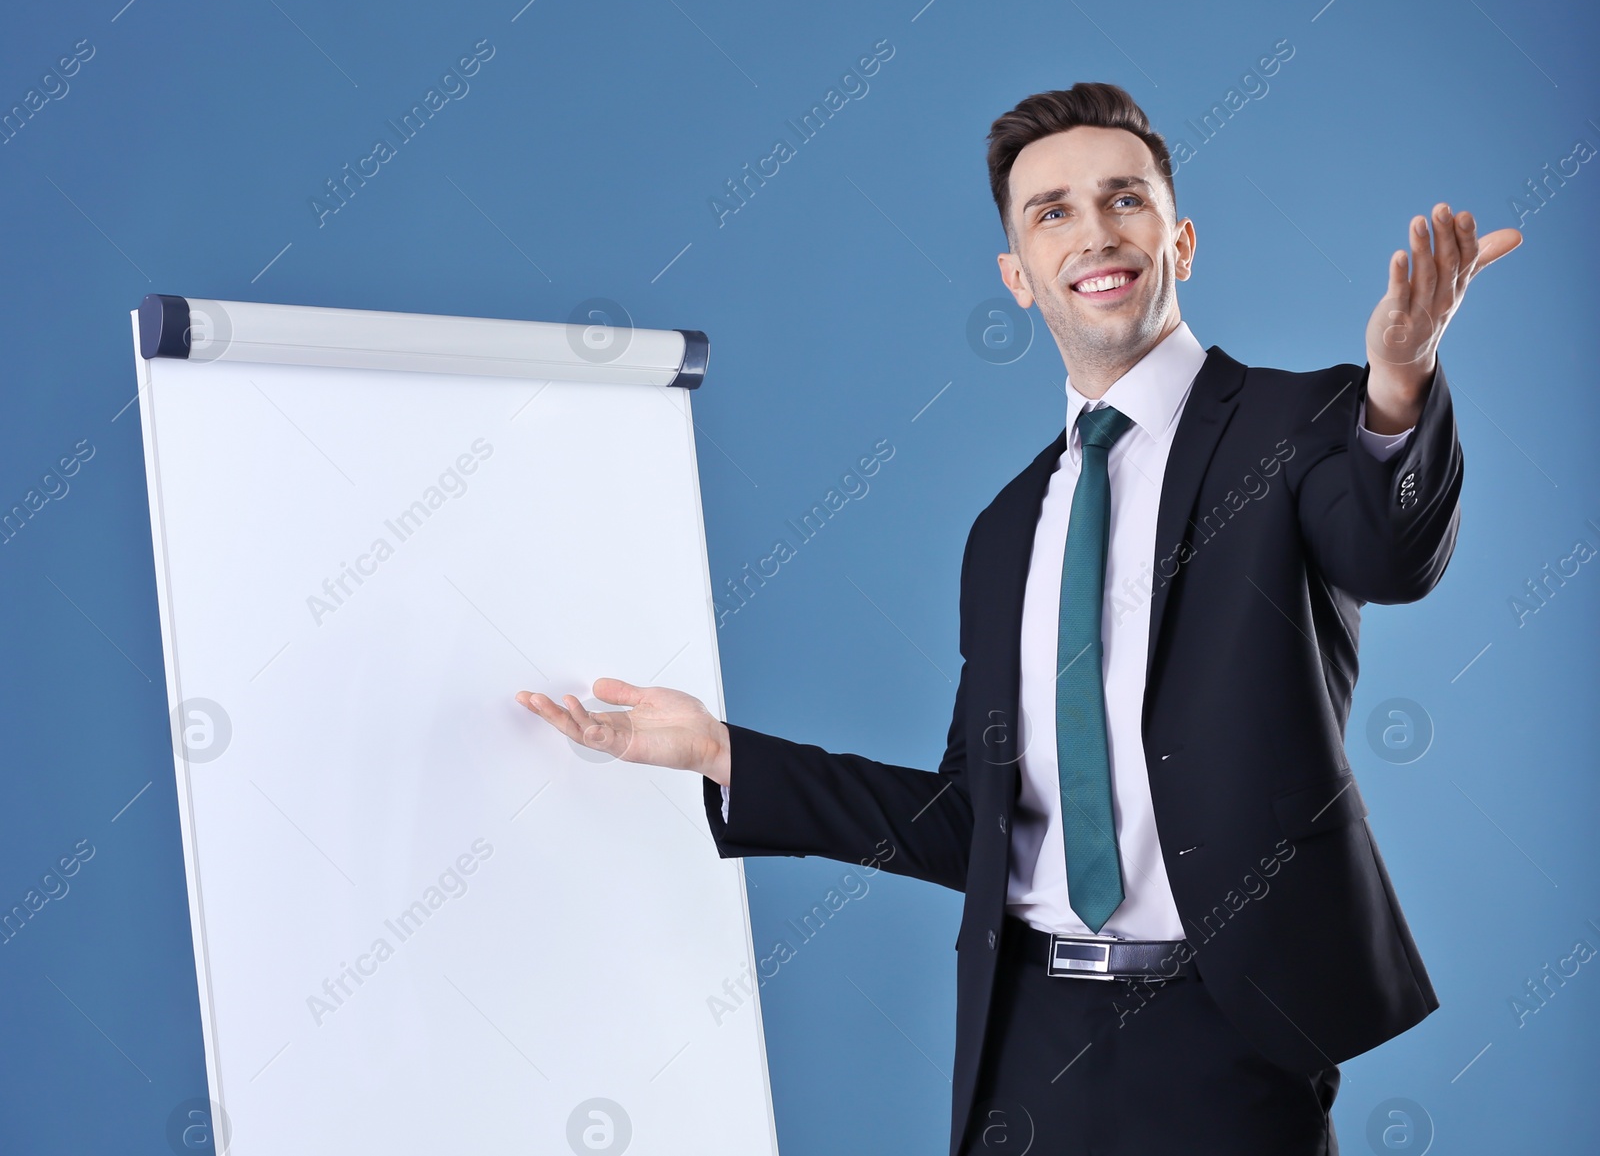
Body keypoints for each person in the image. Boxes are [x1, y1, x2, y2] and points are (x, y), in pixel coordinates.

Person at [516, 82, 1521, 1155]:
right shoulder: (1007, 527)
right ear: (1017, 277)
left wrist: (1401, 382)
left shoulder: (1301, 420)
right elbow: (971, 818)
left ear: (1177, 237)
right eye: (1051, 212)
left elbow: (1390, 553)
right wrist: (722, 750)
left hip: (1228, 1033)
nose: (1094, 232)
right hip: (1026, 1036)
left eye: (1123, 199)